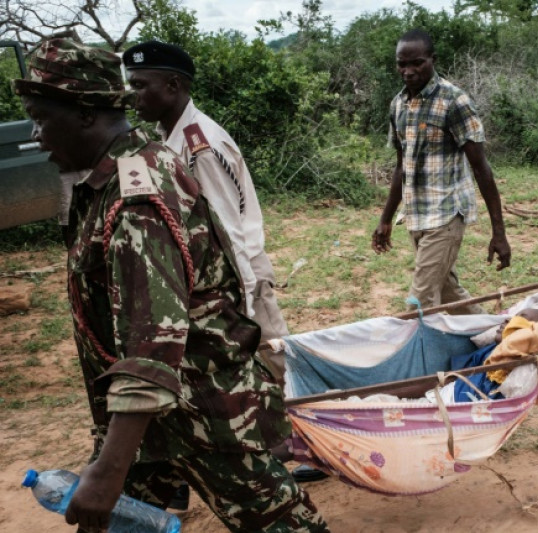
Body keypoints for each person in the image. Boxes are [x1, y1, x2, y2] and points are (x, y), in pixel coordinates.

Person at [12, 36, 329, 532]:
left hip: (199, 412)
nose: (36, 134)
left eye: (41, 118)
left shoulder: (137, 195)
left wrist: (108, 472)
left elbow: (152, 342)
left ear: (85, 113)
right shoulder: (116, 176)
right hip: (148, 414)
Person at [122, 41, 290, 383]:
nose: (132, 96)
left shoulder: (201, 146)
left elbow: (229, 230)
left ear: (173, 85)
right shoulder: (168, 137)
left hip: (241, 278)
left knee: (276, 364)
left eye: (139, 85)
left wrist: (242, 305)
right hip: (214, 281)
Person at [372, 29, 511, 314]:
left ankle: (423, 346)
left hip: (446, 214)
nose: (408, 71)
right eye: (402, 64)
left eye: (417, 63)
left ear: (433, 59)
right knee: (448, 293)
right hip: (417, 214)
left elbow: (482, 169)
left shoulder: (454, 101)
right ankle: (490, 332)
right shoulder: (398, 104)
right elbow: (401, 166)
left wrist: (499, 232)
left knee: (418, 303)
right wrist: (385, 219)